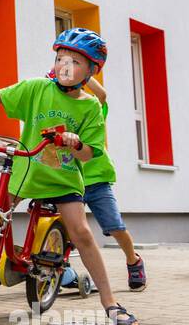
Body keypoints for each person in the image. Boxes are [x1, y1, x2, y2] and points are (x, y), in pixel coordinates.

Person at [0, 28, 140, 325]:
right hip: (27, 170)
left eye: (75, 61)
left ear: (91, 71)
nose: (65, 65)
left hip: (63, 179)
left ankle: (110, 302)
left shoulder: (90, 106)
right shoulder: (37, 88)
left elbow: (90, 154)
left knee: (81, 232)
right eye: (60, 58)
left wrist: (75, 143)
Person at [60, 75, 147, 291]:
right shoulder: (56, 115)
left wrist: (81, 74)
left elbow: (101, 95)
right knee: (62, 229)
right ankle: (62, 270)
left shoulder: (91, 110)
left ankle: (133, 260)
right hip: (68, 181)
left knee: (114, 226)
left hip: (96, 180)